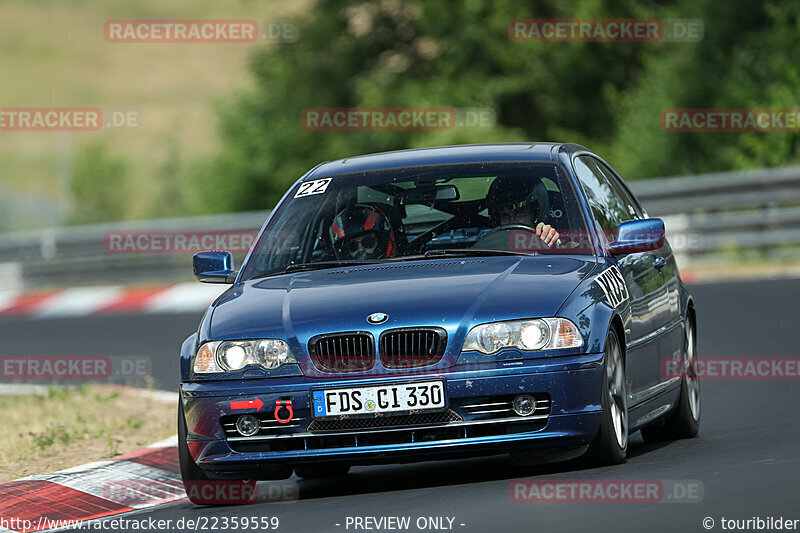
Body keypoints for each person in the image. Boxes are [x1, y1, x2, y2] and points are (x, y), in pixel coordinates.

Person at [485, 176, 560, 247]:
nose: (512, 222)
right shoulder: (485, 240)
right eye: (505, 216)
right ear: (497, 220)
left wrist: (550, 240)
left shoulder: (543, 237)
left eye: (519, 214)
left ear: (535, 216)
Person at [330, 203, 397, 260]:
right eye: (352, 246)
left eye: (368, 242)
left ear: (381, 242)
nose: (361, 250)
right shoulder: (338, 273)